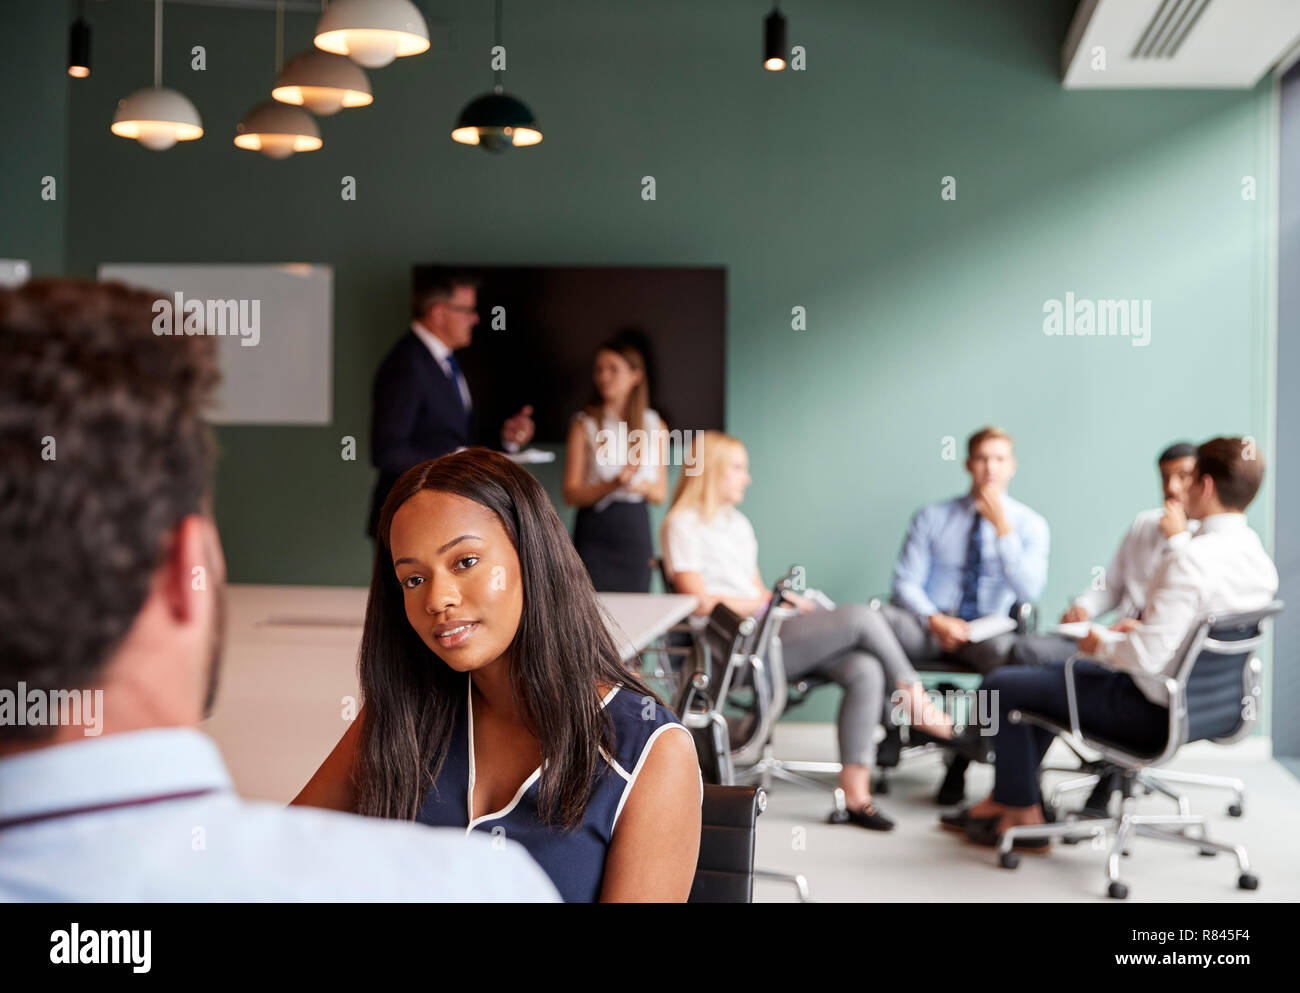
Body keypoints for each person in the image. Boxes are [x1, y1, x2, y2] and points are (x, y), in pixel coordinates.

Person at [0, 279, 557, 902]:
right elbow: (389, 446)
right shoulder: (475, 887)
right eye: (412, 579)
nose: (437, 599)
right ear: (190, 570)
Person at [295, 448, 702, 901]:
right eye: (413, 579)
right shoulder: (401, 714)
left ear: (532, 556)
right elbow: (280, 861)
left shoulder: (650, 751)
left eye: (465, 562)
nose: (437, 599)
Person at [950, 438, 1278, 851]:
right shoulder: (1259, 561)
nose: (1179, 489)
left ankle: (1021, 810)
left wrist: (1097, 643)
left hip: (1145, 709)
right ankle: (1012, 799)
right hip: (1205, 708)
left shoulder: (1189, 558)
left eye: (1189, 478)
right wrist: (1119, 630)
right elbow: (1177, 637)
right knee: (1034, 680)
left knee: (1002, 686)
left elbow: (1147, 656)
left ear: (1206, 486)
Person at [660, 432, 957, 831]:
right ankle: (913, 698)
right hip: (730, 651)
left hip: (767, 636)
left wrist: (787, 602)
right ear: (711, 470)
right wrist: (767, 603)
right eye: (738, 468)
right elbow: (700, 601)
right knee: (861, 619)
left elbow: (754, 590)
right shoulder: (682, 524)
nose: (746, 479)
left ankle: (856, 796)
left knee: (865, 668)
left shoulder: (738, 525)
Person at [880, 426, 1050, 804]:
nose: (990, 467)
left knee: (1006, 660)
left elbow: (1029, 591)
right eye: (982, 458)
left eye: (999, 459)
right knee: (877, 628)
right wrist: (933, 619)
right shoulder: (932, 516)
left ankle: (963, 755)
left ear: (1012, 467)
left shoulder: (1029, 525)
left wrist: (1002, 530)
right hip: (931, 623)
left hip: (986, 630)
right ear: (968, 464)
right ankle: (892, 730)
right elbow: (905, 582)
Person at [367, 270, 535, 537]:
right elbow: (388, 451)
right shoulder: (406, 364)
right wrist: (455, 459)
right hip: (411, 519)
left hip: (445, 514)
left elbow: (455, 434)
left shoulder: (447, 362)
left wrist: (506, 438)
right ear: (439, 313)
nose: (476, 318)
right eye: (467, 310)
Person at [1011, 442, 1200, 670]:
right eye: (1165, 477)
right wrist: (1085, 607)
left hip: (1142, 654)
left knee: (1026, 660)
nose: (1172, 487)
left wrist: (1177, 539)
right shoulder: (1144, 524)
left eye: (1184, 476)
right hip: (1113, 638)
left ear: (1202, 482)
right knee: (1026, 651)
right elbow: (1110, 584)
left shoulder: (1201, 541)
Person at [563, 338, 668, 592]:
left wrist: (638, 485)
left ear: (635, 376)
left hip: (634, 530)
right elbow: (570, 493)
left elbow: (660, 494)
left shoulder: (655, 425)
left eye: (613, 368)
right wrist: (612, 484)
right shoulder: (584, 424)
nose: (603, 376)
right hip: (594, 531)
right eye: (599, 369)